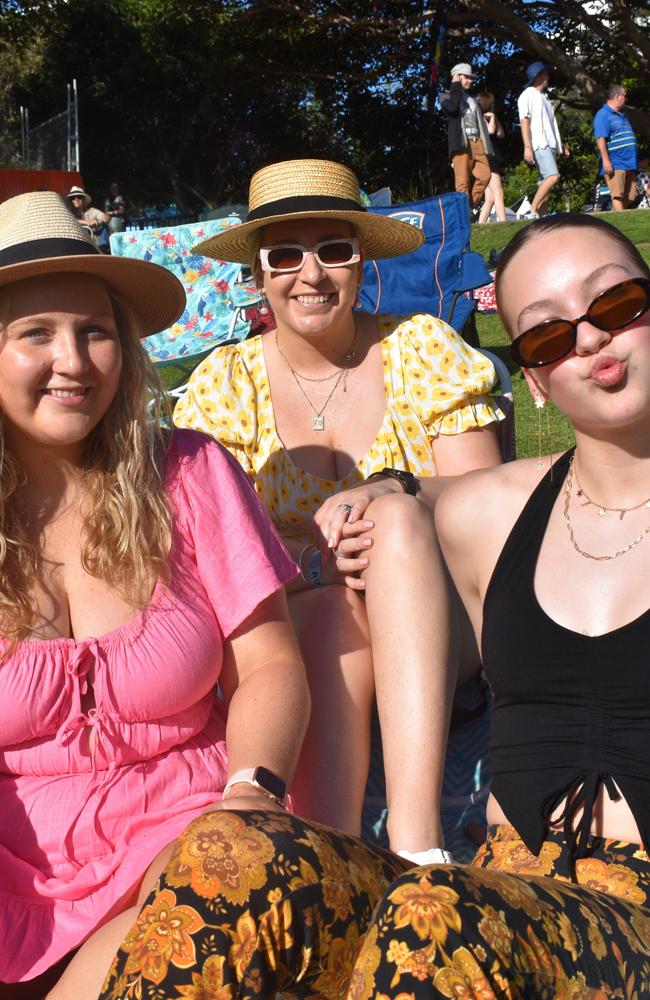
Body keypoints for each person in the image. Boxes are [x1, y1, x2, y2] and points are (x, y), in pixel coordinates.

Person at [0, 191, 408, 998]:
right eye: (35, 334)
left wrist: (251, 789)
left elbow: (267, 664)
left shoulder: (187, 472)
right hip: (21, 875)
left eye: (96, 331)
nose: (74, 361)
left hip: (187, 844)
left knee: (202, 920)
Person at [350, 213, 650, 996]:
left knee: (430, 925)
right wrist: (387, 487)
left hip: (621, 918)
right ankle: (415, 853)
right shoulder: (498, 512)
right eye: (546, 338)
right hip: (503, 890)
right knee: (234, 853)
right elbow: (412, 511)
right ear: (535, 378)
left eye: (615, 305)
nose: (587, 339)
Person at [174, 158, 503, 862]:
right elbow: (208, 554)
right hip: (303, 633)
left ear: (361, 262)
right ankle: (339, 859)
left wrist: (396, 491)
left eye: (334, 250)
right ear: (259, 275)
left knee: (391, 521)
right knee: (324, 610)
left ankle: (416, 849)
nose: (311, 274)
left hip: (443, 620)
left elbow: (488, 509)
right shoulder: (225, 386)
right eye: (285, 254)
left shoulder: (422, 350)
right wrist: (308, 565)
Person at [517, 61, 570, 219]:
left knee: (545, 187)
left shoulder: (545, 98)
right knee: (553, 176)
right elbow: (524, 121)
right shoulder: (527, 95)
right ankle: (532, 211)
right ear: (537, 76)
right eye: (545, 73)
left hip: (551, 144)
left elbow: (551, 126)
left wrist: (562, 146)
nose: (548, 76)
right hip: (540, 144)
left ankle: (542, 218)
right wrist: (527, 146)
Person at [440, 64, 493, 210]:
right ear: (457, 76)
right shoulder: (445, 95)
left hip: (477, 142)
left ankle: (466, 209)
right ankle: (463, 215)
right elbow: (452, 108)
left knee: (485, 176)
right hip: (461, 143)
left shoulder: (472, 98)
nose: (471, 80)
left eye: (471, 78)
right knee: (462, 183)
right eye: (467, 77)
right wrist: (455, 85)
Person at [594, 84, 639, 212]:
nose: (626, 99)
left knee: (631, 196)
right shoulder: (603, 115)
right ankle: (620, 221)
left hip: (629, 162)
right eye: (625, 96)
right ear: (618, 97)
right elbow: (600, 139)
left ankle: (615, 217)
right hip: (616, 161)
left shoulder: (622, 115)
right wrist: (606, 160)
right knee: (617, 195)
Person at [476, 92, 507, 224]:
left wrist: (495, 118)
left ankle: (481, 224)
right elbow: (490, 131)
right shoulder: (479, 118)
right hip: (489, 159)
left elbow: (501, 134)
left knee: (489, 197)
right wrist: (492, 118)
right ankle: (503, 222)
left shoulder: (490, 117)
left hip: (492, 158)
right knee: (498, 193)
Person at [65, 185, 110, 251]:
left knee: (104, 226)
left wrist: (98, 222)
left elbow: (107, 217)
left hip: (94, 241)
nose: (76, 199)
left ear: (84, 199)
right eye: (73, 198)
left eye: (79, 197)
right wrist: (86, 222)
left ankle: (102, 250)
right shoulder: (68, 212)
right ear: (71, 201)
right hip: (77, 242)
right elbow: (68, 220)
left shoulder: (91, 210)